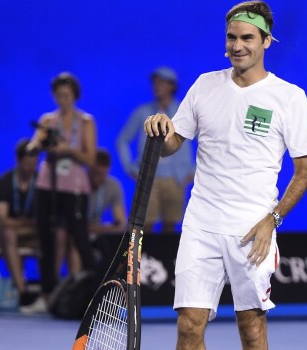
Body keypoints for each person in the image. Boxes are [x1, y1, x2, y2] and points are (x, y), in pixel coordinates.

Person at [144, 0, 307, 350]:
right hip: (201, 221)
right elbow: (172, 145)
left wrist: (273, 218)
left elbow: (303, 171)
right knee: (189, 326)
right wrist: (160, 128)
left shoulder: (290, 97)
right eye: (231, 38)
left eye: (247, 38)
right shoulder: (204, 86)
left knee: (251, 329)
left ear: (266, 42)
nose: (237, 46)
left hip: (253, 229)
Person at [22, 72, 97, 315]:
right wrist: (37, 145)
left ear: (74, 95)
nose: (62, 99)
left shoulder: (86, 121)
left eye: (67, 95)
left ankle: (93, 297)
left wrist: (68, 149)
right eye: (59, 95)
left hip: (74, 188)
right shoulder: (48, 120)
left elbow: (90, 158)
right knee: (46, 241)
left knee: (81, 241)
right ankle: (47, 296)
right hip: (48, 186)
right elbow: (34, 146)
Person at [116, 66, 195, 233]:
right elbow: (122, 140)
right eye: (155, 82)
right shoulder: (143, 112)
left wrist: (194, 170)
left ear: (172, 86)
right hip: (148, 175)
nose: (157, 86)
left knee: (170, 225)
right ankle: (144, 259)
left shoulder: (183, 110)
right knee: (144, 225)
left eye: (162, 83)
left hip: (176, 176)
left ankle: (166, 259)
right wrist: (130, 167)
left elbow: (206, 139)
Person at [0, 138, 39, 306]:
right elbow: (2, 220)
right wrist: (27, 224)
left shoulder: (40, 182)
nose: (30, 169)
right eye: (27, 165)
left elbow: (42, 221)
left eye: (34, 165)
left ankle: (49, 292)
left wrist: (26, 225)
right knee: (9, 234)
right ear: (18, 161)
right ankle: (22, 291)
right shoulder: (4, 182)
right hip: (1, 234)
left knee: (50, 235)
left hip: (29, 234)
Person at [67, 148, 127, 272]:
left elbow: (120, 223)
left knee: (117, 242)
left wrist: (99, 228)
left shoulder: (113, 186)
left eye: (103, 175)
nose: (100, 178)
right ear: (89, 169)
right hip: (76, 233)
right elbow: (75, 225)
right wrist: (102, 228)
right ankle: (77, 284)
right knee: (75, 240)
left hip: (96, 233)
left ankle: (110, 283)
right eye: (97, 174)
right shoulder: (76, 184)